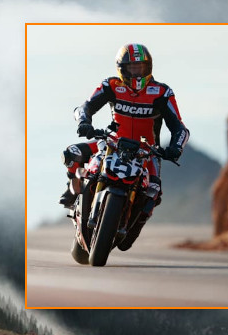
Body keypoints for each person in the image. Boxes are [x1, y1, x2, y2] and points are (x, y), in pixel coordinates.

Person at [58, 43, 190, 246]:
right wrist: (84, 122)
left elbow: (180, 129)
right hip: (112, 143)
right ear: (122, 68)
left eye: (141, 67)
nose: (137, 73)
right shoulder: (111, 85)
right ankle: (72, 192)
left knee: (153, 190)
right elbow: (84, 107)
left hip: (147, 152)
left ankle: (133, 227)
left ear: (149, 67)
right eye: (132, 68)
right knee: (71, 153)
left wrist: (176, 148)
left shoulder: (162, 92)